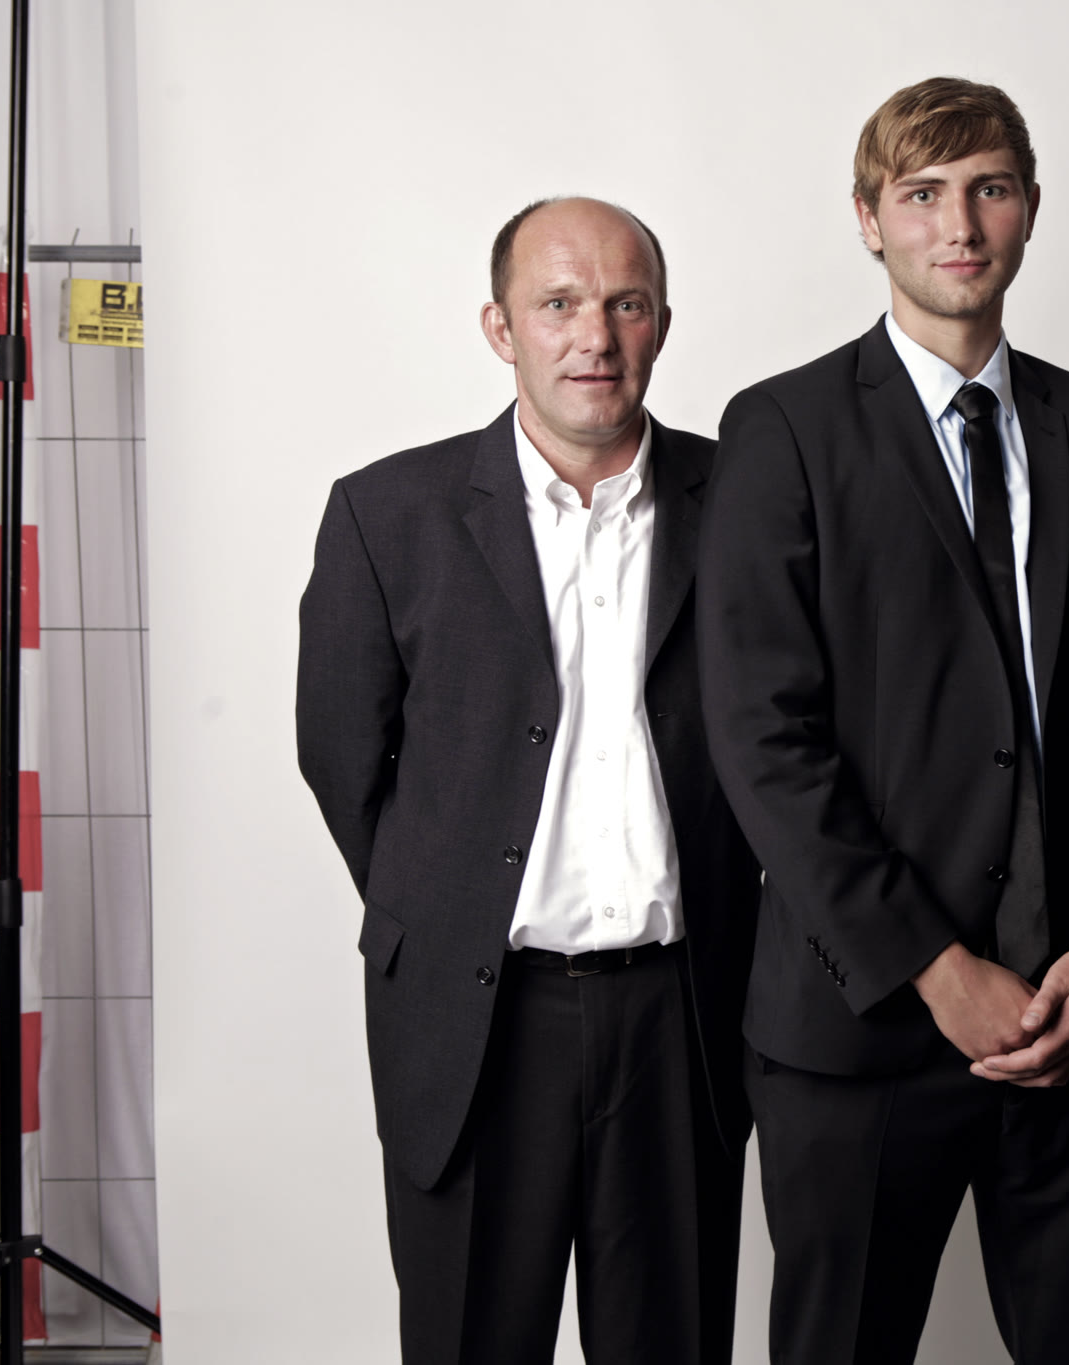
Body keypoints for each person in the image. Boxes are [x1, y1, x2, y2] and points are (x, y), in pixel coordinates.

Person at [697, 77, 1069, 1364]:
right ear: (868, 219)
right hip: (858, 1032)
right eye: (921, 194)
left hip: (1068, 1026)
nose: (958, 225)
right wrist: (934, 967)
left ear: (1028, 210)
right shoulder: (783, 429)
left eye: (988, 189)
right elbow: (761, 736)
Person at [295, 197, 758, 1364]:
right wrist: (449, 900)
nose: (593, 336)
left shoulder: (748, 501)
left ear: (661, 326)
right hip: (475, 1021)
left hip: (683, 1016)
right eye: (558, 304)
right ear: (499, 328)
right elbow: (341, 756)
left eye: (624, 304)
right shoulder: (386, 515)